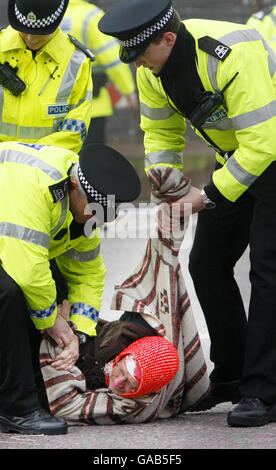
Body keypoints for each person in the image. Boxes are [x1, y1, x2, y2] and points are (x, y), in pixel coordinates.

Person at [98, 0, 276, 427]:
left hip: (269, 153)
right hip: (237, 158)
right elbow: (160, 133)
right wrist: (167, 190)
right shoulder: (152, 71)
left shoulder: (231, 53)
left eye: (140, 52)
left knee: (267, 271)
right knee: (208, 262)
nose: (135, 62)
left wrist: (204, 195)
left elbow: (265, 143)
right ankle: (231, 377)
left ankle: (264, 391)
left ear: (169, 39)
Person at [38, 166, 210, 425]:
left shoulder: (132, 404)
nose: (117, 382)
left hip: (73, 352)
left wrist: (61, 332)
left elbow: (64, 404)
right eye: (123, 370)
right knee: (147, 313)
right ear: (123, 355)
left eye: (129, 384)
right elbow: (162, 278)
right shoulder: (123, 342)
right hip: (115, 339)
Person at [0, 140, 141, 435]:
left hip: (12, 247)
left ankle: (37, 394)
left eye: (104, 214)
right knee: (10, 294)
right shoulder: (37, 187)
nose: (95, 219)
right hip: (14, 246)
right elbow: (27, 272)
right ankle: (16, 408)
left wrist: (77, 330)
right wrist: (52, 322)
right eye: (93, 210)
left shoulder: (85, 206)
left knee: (57, 290)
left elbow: (88, 273)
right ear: (73, 185)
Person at [0, 0, 93, 154]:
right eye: (24, 31)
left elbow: (75, 131)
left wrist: (29, 158)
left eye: (39, 33)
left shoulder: (76, 61)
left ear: (57, 21)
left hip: (46, 171)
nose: (30, 39)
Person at [60, 0, 138, 145]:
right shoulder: (90, 16)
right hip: (91, 107)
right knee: (90, 160)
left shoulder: (53, 14)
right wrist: (128, 90)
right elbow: (112, 59)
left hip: (55, 108)